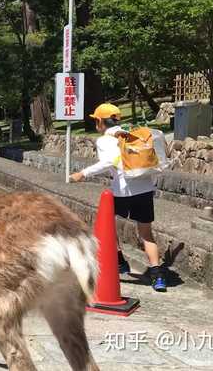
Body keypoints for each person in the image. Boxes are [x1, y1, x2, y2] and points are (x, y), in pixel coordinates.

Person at [69, 103, 167, 292]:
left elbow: (108, 162)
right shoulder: (133, 134)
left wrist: (83, 173)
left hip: (122, 191)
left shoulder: (106, 140)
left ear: (99, 122)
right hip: (145, 188)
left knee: (106, 225)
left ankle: (120, 260)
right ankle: (158, 275)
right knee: (146, 234)